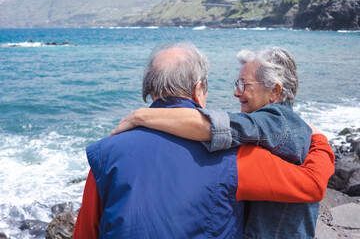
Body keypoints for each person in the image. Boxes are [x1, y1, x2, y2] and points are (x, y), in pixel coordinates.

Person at [74, 42, 334, 239]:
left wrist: (141, 116)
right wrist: (320, 141)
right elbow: (309, 184)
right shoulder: (237, 155)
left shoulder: (105, 153)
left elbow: (85, 232)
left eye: (243, 84)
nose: (236, 92)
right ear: (199, 89)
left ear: (149, 88)